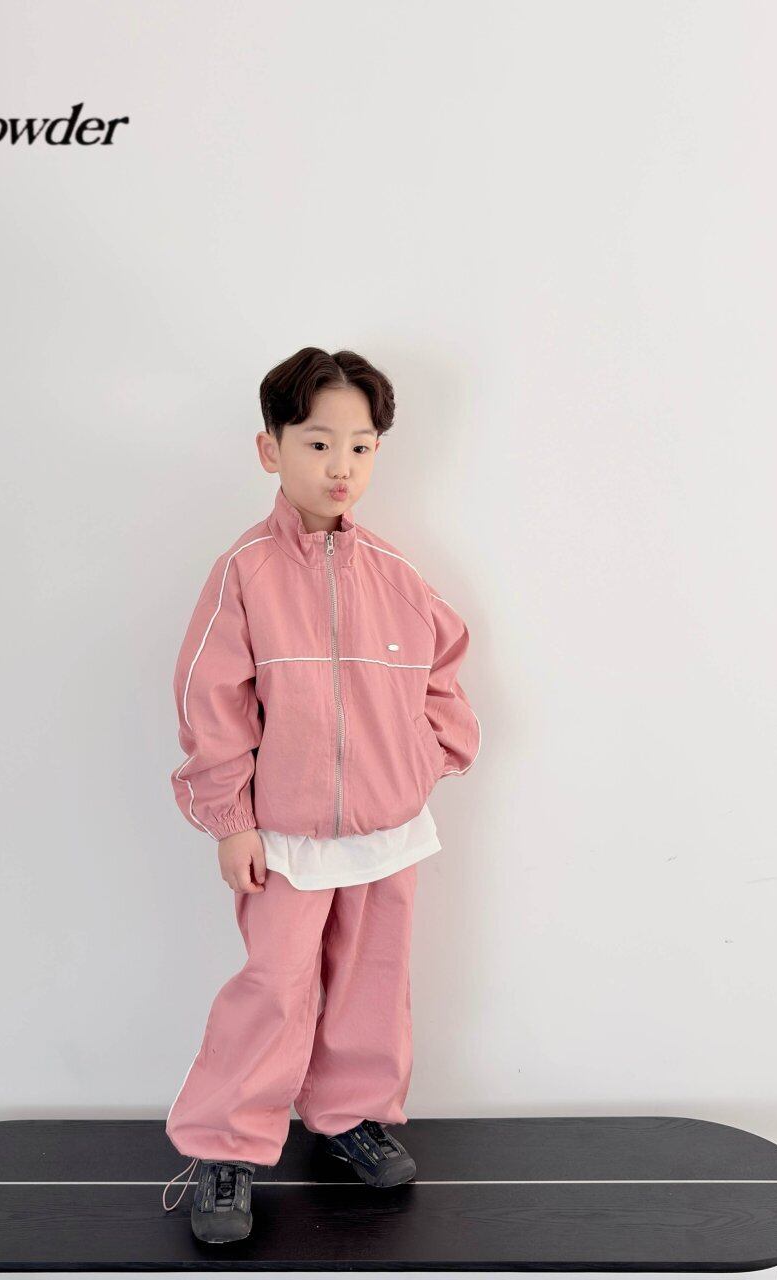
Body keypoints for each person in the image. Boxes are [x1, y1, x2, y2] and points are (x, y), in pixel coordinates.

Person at [160, 347, 480, 1243]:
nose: (342, 465)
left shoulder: (396, 573)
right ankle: (227, 1146)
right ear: (271, 449)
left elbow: (447, 672)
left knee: (374, 980)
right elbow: (209, 702)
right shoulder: (245, 572)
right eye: (318, 443)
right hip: (286, 836)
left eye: (362, 446)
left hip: (388, 830)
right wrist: (231, 821)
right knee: (274, 985)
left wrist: (423, 761)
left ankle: (349, 1118)